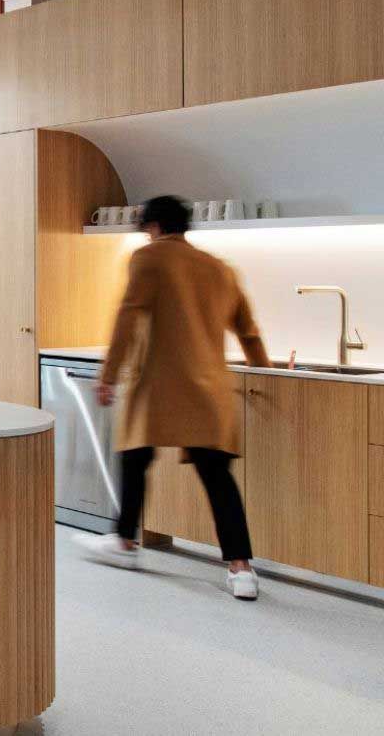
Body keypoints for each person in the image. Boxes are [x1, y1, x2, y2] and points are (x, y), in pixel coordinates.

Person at [77, 195, 270, 600]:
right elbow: (248, 330)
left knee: (134, 457)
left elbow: (129, 316)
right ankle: (241, 569)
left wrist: (108, 374)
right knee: (217, 477)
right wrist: (263, 370)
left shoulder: (149, 258)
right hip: (209, 389)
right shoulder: (220, 268)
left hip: (160, 385)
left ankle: (124, 541)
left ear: (153, 227)